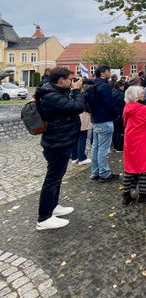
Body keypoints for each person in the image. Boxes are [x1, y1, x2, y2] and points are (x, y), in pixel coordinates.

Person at [35, 68, 85, 230]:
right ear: (61, 80)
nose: (72, 82)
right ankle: (43, 218)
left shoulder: (54, 91)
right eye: (70, 79)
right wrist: (77, 91)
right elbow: (77, 107)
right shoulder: (51, 96)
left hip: (61, 140)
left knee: (57, 177)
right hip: (57, 142)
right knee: (52, 179)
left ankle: (53, 207)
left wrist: (73, 90)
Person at [122, 86, 146, 205]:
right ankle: (143, 195)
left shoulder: (127, 107)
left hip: (130, 140)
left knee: (130, 168)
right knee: (145, 169)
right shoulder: (143, 109)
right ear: (137, 96)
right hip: (142, 141)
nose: (143, 96)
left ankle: (126, 194)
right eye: (141, 94)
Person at [89, 65, 119, 182]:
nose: (109, 73)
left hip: (95, 119)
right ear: (102, 73)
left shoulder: (93, 83)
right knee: (103, 149)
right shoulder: (104, 86)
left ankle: (95, 172)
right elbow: (109, 103)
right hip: (105, 120)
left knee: (95, 147)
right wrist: (117, 114)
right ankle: (104, 173)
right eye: (108, 71)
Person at [71, 84, 91, 165]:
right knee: (82, 136)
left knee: (76, 137)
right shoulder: (81, 94)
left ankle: (74, 157)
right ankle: (82, 158)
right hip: (82, 115)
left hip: (75, 115)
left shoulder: (71, 92)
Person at [112, 80, 126, 151]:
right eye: (123, 86)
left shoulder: (113, 92)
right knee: (120, 131)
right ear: (120, 86)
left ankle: (114, 146)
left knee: (114, 131)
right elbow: (124, 104)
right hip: (119, 114)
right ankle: (119, 147)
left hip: (113, 114)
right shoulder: (121, 94)